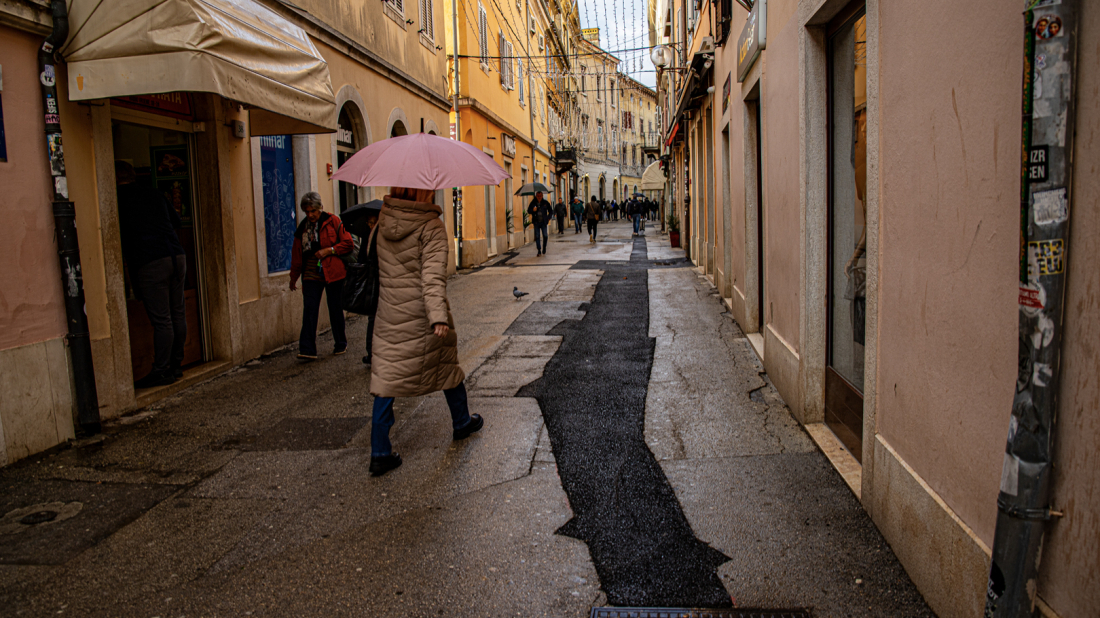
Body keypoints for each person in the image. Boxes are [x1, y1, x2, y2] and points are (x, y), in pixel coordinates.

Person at [368, 186, 483, 476]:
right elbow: (431, 277)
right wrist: (437, 317)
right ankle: (461, 422)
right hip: (420, 315)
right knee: (445, 366)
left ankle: (379, 452)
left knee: (386, 379)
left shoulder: (382, 222)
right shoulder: (430, 226)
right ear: (424, 192)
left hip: (389, 314)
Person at [116, 160, 188, 388]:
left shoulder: (118, 198)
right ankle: (176, 366)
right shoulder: (154, 193)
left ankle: (160, 370)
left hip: (150, 260)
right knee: (177, 313)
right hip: (176, 255)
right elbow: (177, 221)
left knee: (162, 320)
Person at [290, 192, 354, 360]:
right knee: (310, 309)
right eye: (307, 211)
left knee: (335, 308)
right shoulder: (302, 227)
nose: (310, 215)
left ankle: (341, 343)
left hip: (332, 271)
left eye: (313, 211)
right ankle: (307, 349)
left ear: (320, 208)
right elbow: (297, 254)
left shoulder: (333, 221)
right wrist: (293, 276)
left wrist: (329, 250)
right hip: (311, 273)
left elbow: (348, 243)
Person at [358, 207, 381, 366]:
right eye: (369, 223)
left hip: (383, 281)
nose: (371, 225)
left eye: (374, 223)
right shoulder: (368, 237)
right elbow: (361, 259)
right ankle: (372, 353)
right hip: (374, 282)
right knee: (373, 317)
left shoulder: (382, 236)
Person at [527, 191, 552, 256]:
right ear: (536, 196)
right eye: (538, 196)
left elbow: (551, 211)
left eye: (540, 196)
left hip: (544, 222)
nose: (539, 197)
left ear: (542, 196)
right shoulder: (533, 203)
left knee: (545, 236)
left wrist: (548, 218)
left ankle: (544, 247)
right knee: (537, 236)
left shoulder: (545, 203)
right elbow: (529, 210)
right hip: (536, 222)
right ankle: (539, 250)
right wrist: (533, 210)